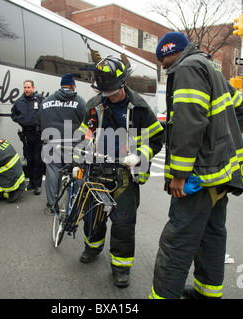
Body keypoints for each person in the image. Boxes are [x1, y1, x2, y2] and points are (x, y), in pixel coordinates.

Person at [150, 32, 243, 299]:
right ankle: (207, 294)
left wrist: (179, 175)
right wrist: (219, 152)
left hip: (197, 180)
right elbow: (239, 108)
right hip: (219, 177)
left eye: (162, 61)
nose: (163, 67)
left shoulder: (187, 68)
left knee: (176, 243)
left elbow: (189, 125)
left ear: (169, 52)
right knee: (211, 238)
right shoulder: (211, 68)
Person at [76, 55, 164, 287]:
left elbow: (156, 139)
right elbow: (84, 134)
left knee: (124, 224)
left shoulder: (140, 108)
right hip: (96, 171)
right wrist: (81, 152)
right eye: (106, 92)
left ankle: (121, 268)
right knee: (93, 216)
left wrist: (139, 157)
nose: (110, 96)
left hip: (125, 176)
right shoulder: (94, 105)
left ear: (124, 82)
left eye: (113, 91)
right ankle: (92, 248)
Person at [37, 73, 86, 210]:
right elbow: (87, 121)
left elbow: (38, 120)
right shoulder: (79, 101)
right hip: (73, 144)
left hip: (51, 143)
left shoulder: (46, 101)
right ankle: (77, 200)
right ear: (72, 86)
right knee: (77, 170)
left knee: (52, 172)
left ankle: (52, 203)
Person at [11, 80, 44, 195]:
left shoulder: (39, 100)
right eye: (25, 87)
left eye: (29, 87)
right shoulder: (19, 102)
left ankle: (38, 185)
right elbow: (13, 114)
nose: (26, 89)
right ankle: (31, 182)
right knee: (29, 160)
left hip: (37, 134)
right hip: (26, 135)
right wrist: (19, 119)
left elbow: (45, 113)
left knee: (37, 160)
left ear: (33, 88)